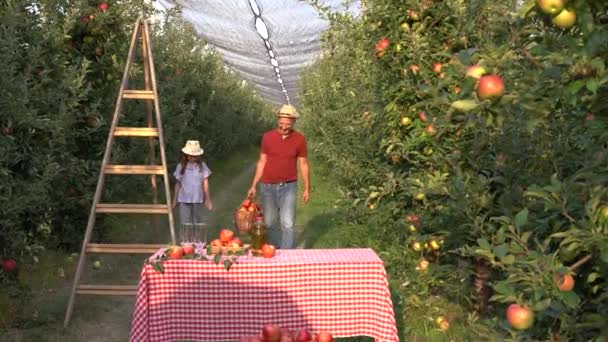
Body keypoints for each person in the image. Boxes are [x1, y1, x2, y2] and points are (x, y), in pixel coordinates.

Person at [247, 104, 310, 249]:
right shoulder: (267, 137)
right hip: (268, 186)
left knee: (287, 223)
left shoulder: (300, 139)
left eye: (287, 124)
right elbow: (262, 161)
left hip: (289, 186)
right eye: (281, 123)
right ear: (277, 120)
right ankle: (272, 251)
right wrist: (253, 185)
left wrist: (307, 187)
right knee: (269, 222)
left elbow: (303, 164)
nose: (284, 127)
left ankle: (287, 255)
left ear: (294, 122)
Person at [172, 140, 213, 242]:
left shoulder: (202, 166)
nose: (192, 158)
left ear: (198, 156)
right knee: (185, 224)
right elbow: (178, 184)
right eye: (190, 155)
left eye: (195, 156)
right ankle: (185, 243)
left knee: (198, 223)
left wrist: (208, 200)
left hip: (197, 200)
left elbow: (205, 183)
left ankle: (198, 244)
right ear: (186, 154)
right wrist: (175, 200)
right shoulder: (181, 166)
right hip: (184, 200)